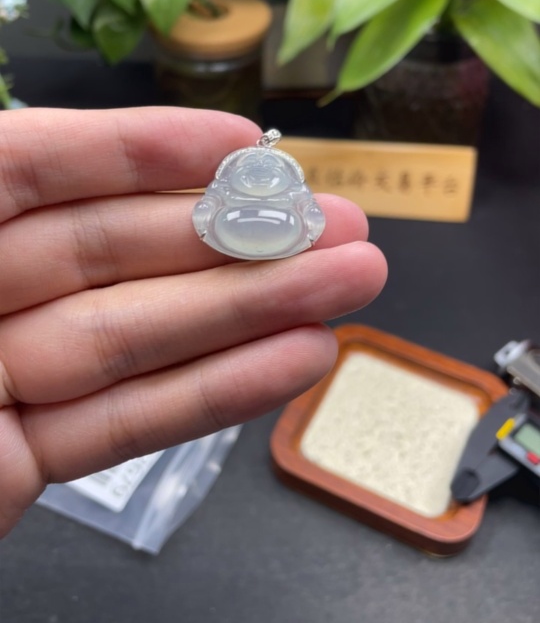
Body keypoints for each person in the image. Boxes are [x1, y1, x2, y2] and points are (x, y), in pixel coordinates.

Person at [0, 107, 387, 538]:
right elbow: (209, 211)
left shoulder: (292, 194)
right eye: (252, 170)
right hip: (235, 221)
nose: (261, 175)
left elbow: (309, 216)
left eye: (268, 171)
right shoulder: (225, 191)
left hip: (276, 222)